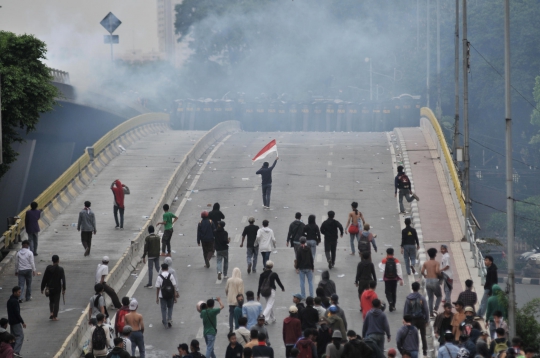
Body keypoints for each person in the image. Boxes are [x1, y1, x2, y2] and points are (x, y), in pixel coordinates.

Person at [403, 282, 429, 356]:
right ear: (418, 288)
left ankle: (414, 349)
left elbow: (406, 310)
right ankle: (425, 351)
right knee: (423, 335)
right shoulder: (422, 298)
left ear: (412, 288)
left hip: (412, 320)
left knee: (413, 335)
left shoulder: (408, 298)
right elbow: (426, 309)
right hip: (421, 319)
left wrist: (405, 320)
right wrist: (426, 320)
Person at [41, 254, 66, 321]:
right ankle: (54, 316)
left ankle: (51, 312)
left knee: (51, 301)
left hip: (49, 287)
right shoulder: (60, 269)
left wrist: (42, 287)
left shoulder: (48, 268)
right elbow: (63, 280)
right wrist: (64, 288)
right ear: (58, 260)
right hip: (57, 288)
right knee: (56, 302)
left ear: (52, 260)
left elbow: (44, 278)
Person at [421, 248, 442, 317]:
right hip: (434, 281)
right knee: (439, 296)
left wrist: (425, 275)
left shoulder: (426, 263)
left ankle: (431, 313)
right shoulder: (436, 263)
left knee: (430, 298)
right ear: (435, 255)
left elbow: (422, 271)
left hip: (428, 281)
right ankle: (435, 308)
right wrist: (440, 275)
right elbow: (437, 271)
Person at [156, 263, 178, 328]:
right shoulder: (171, 276)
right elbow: (174, 286)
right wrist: (175, 296)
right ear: (167, 268)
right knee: (170, 307)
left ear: (161, 269)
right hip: (170, 295)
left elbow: (157, 288)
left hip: (162, 295)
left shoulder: (159, 277)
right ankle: (169, 319)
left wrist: (157, 298)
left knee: (163, 308)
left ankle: (165, 321)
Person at [7, 286, 25, 355]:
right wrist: (22, 322)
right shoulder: (14, 301)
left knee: (13, 338)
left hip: (11, 321)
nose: (20, 294)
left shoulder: (9, 301)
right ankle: (15, 352)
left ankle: (11, 351)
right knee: (20, 336)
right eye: (19, 292)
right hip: (16, 322)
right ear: (14, 292)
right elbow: (17, 313)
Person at [226, 268, 245, 332]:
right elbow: (240, 291)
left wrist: (228, 295)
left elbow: (226, 289)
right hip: (238, 300)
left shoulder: (229, 280)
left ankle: (231, 328)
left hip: (230, 299)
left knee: (231, 314)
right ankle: (238, 327)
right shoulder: (240, 281)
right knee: (238, 314)